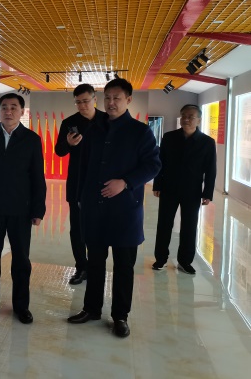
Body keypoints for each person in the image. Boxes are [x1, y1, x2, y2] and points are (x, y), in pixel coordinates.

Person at [67, 78, 160, 338]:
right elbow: (83, 166)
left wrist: (126, 182)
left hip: (125, 210)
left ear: (128, 100)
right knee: (95, 262)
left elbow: (153, 165)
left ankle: (120, 316)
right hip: (94, 209)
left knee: (123, 266)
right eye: (107, 98)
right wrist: (81, 197)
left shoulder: (140, 132)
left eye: (116, 98)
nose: (111, 103)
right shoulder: (94, 130)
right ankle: (91, 309)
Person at [0, 93, 46, 324]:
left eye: (14, 107)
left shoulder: (31, 139)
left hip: (20, 208)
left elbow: (37, 177)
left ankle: (21, 306)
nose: (8, 111)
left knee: (21, 259)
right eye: (4, 107)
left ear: (22, 111)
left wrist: (38, 209)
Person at [152, 104, 216, 274]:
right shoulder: (169, 137)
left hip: (192, 190)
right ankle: (160, 259)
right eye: (184, 116)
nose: (186, 119)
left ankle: (185, 261)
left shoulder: (207, 142)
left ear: (199, 120)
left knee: (189, 226)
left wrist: (207, 193)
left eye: (191, 116)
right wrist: (157, 184)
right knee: (164, 224)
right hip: (169, 187)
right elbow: (160, 163)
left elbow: (211, 169)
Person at [55, 84, 105, 285]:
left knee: (98, 228)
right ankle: (81, 267)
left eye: (86, 101)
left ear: (95, 99)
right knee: (77, 229)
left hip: (102, 183)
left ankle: (96, 266)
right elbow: (59, 151)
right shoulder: (69, 123)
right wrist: (68, 144)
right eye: (78, 102)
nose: (82, 105)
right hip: (77, 183)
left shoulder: (107, 120)